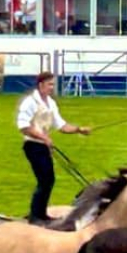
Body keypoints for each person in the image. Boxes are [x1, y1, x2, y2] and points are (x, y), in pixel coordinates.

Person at [17, 72, 91, 224]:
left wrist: (79, 129)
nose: (52, 87)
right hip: (33, 145)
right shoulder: (30, 102)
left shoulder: (51, 103)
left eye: (53, 84)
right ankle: (36, 215)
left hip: (43, 145)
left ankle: (40, 214)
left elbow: (61, 125)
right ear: (41, 85)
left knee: (48, 180)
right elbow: (23, 126)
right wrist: (44, 137)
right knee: (45, 180)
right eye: (49, 84)